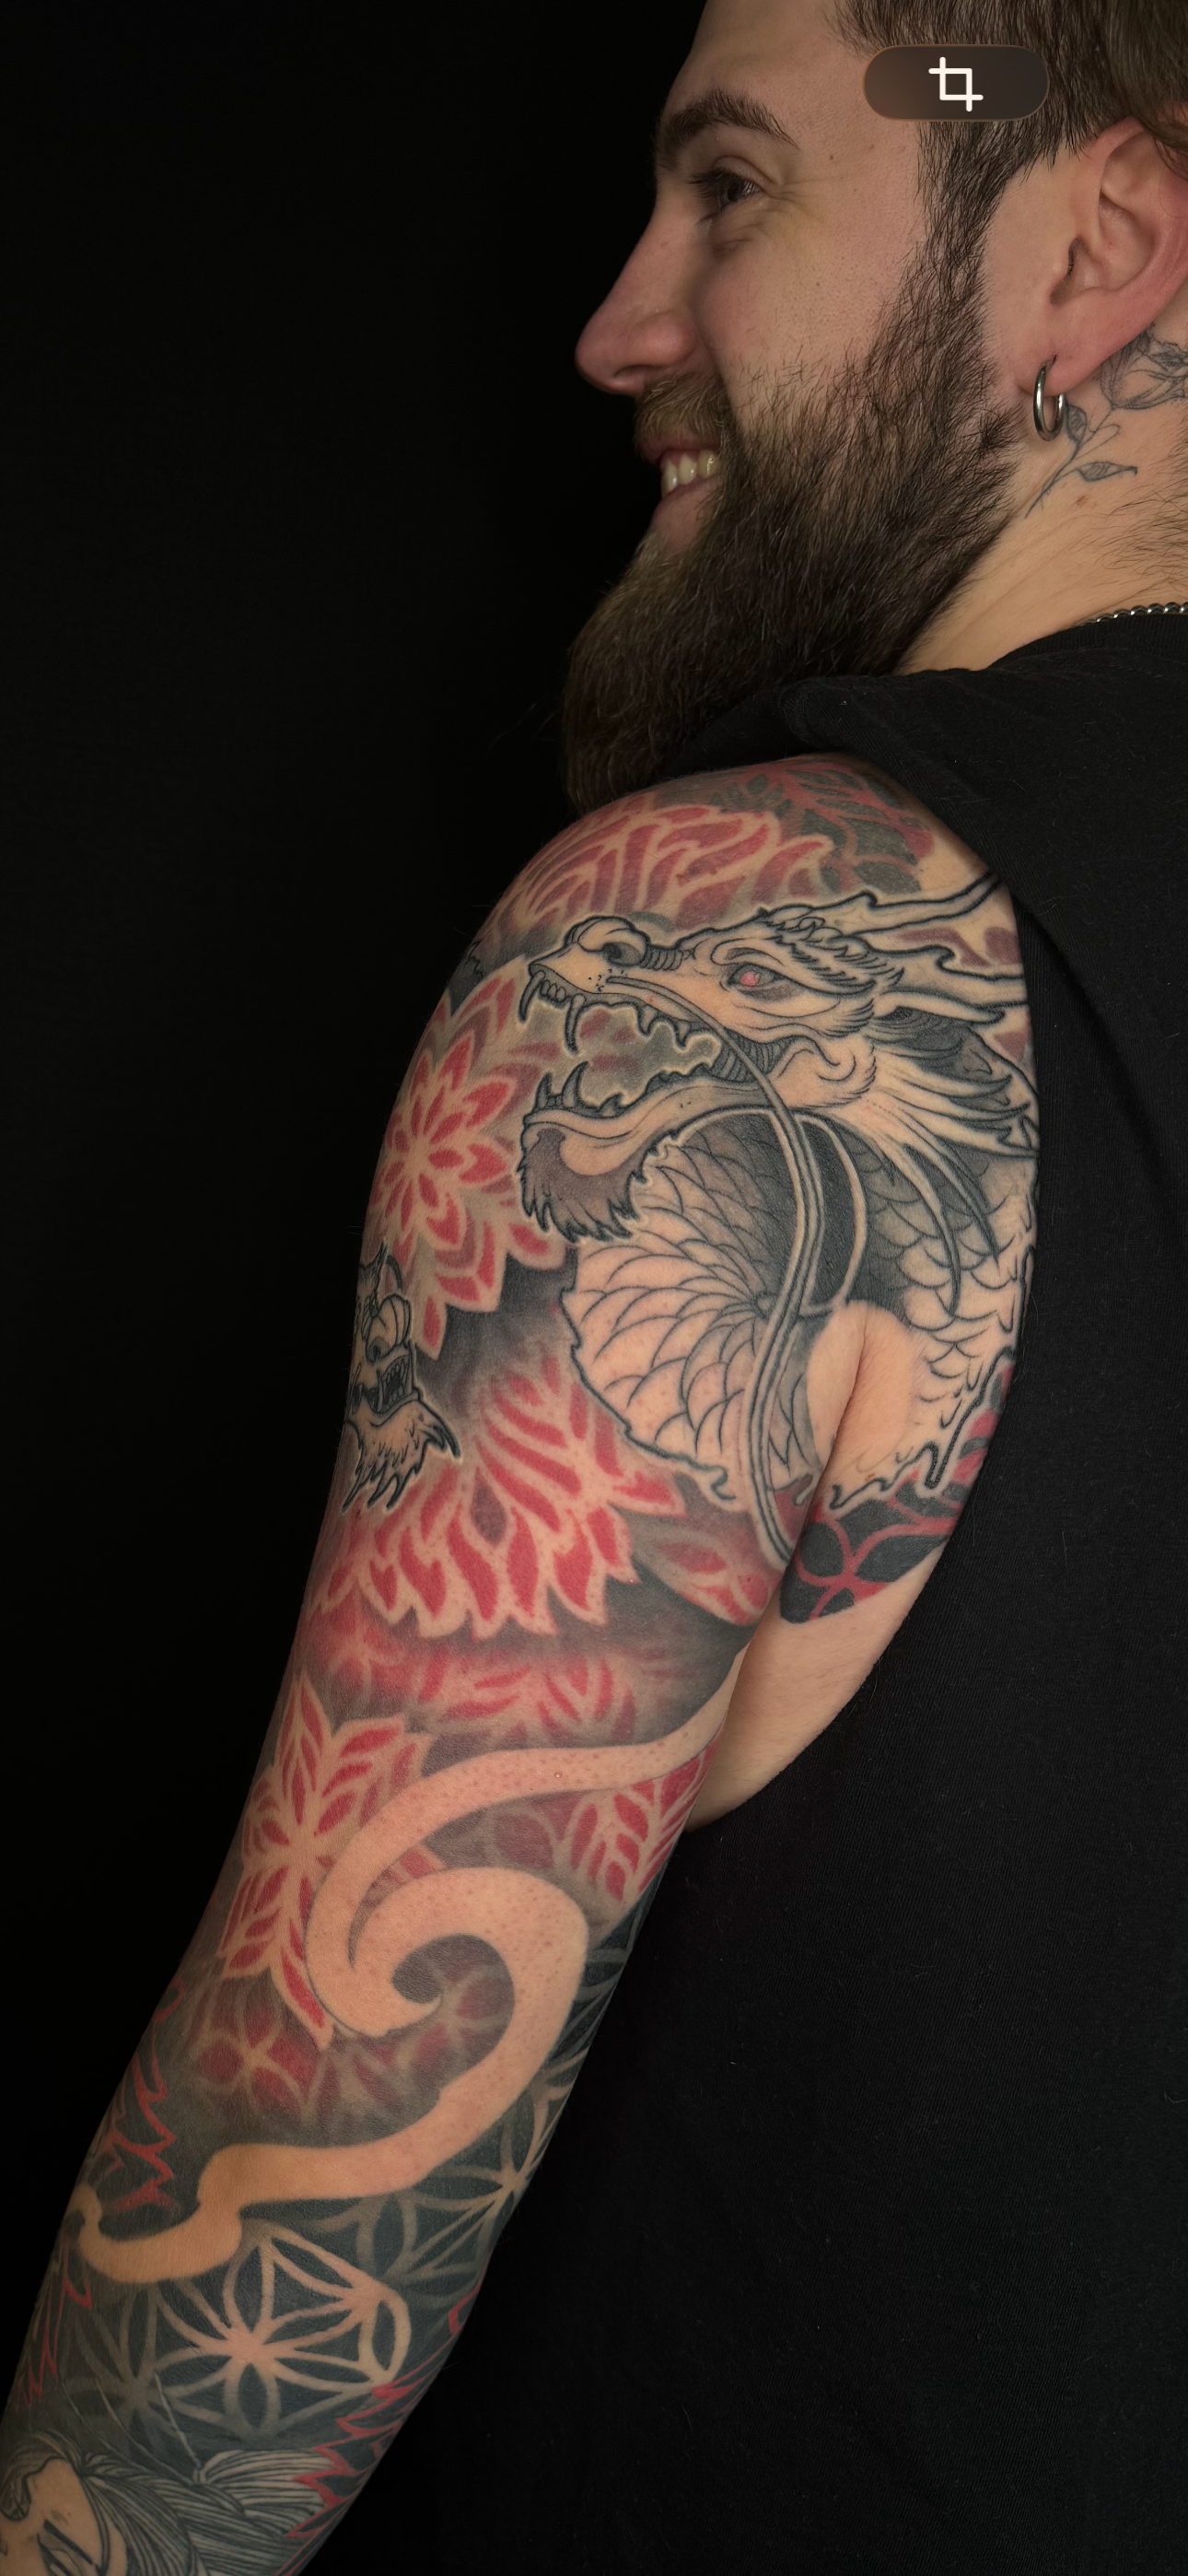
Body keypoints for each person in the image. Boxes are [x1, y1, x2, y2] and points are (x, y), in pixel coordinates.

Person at [3, 1, 1185, 2568]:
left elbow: (296, 2198)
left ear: (1093, 243)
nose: (621, 321)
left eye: (732, 187)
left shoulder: (743, 946)